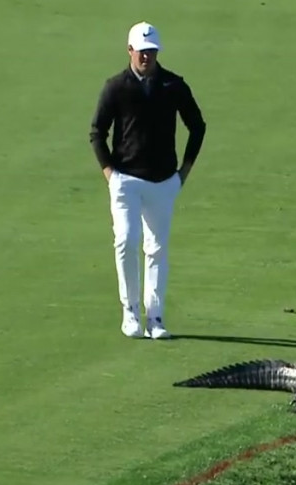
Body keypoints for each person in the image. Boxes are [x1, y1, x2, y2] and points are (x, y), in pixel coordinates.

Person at [89, 21, 206, 339]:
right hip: (125, 179)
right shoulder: (115, 86)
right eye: (142, 51)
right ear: (130, 50)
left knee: (157, 249)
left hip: (163, 181)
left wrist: (184, 172)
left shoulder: (173, 85)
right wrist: (109, 174)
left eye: (152, 51)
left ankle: (155, 318)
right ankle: (130, 313)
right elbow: (98, 132)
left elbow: (197, 126)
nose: (147, 57)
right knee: (126, 241)